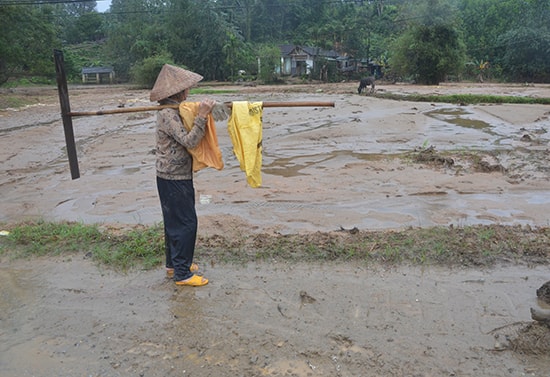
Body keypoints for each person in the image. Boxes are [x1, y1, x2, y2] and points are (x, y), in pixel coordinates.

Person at [150, 64, 215, 287]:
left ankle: (174, 265)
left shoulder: (173, 111)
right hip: (174, 178)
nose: (189, 92)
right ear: (178, 92)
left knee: (173, 222)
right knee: (186, 223)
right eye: (186, 89)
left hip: (170, 176)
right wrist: (203, 116)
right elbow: (189, 141)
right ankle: (182, 274)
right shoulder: (168, 114)